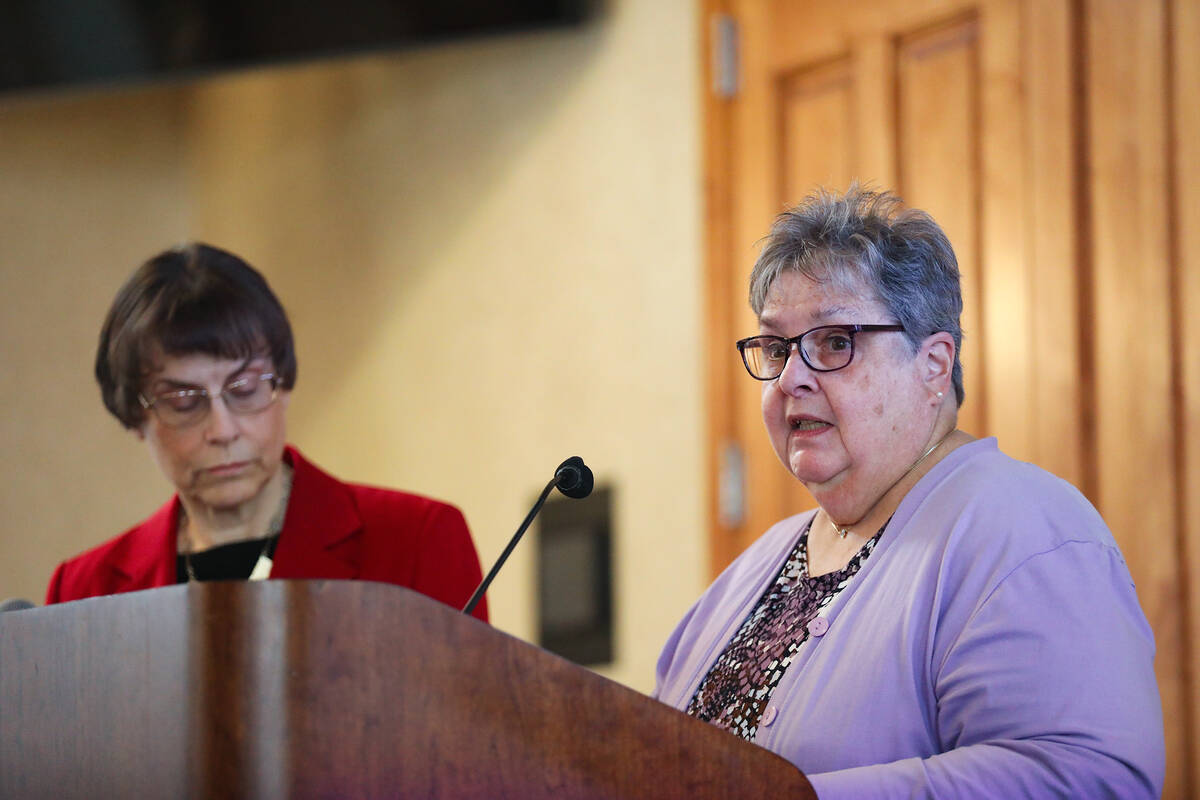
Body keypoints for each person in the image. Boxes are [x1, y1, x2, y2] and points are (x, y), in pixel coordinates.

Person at [654, 187, 1163, 797]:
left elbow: (1086, 779)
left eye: (834, 342)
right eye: (777, 347)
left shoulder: (1024, 526)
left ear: (933, 364)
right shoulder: (757, 565)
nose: (791, 378)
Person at [45, 243, 488, 621]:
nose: (222, 429)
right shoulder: (85, 590)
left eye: (245, 389)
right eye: (184, 402)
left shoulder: (417, 541)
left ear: (284, 383)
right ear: (136, 418)